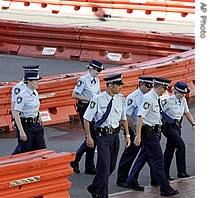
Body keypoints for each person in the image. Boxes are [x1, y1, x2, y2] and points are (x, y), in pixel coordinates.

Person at [83, 73, 131, 198]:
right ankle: (103, 195)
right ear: (110, 85)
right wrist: (89, 136)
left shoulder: (120, 98)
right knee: (103, 169)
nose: (121, 87)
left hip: (115, 136)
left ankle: (94, 187)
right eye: (118, 85)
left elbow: (123, 118)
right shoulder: (98, 99)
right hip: (102, 136)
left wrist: (127, 135)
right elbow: (87, 119)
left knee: (111, 166)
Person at [134, 77, 179, 197]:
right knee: (158, 160)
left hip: (153, 132)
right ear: (160, 87)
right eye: (164, 88)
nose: (165, 91)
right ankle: (164, 188)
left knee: (147, 157)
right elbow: (140, 116)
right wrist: (138, 135)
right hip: (149, 133)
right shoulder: (149, 98)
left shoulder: (155, 98)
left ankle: (133, 179)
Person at [117, 76, 155, 190]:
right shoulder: (133, 97)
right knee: (130, 154)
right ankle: (122, 178)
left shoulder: (150, 96)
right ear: (140, 84)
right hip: (133, 128)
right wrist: (134, 131)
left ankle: (155, 178)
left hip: (146, 129)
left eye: (151, 86)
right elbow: (127, 116)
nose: (149, 88)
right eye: (147, 86)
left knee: (149, 154)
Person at [70, 59, 105, 175]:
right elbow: (74, 95)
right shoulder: (83, 80)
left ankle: (89, 165)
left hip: (94, 108)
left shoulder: (96, 80)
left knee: (93, 136)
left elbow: (98, 94)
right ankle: (75, 159)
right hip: (85, 107)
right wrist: (88, 99)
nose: (98, 72)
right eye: (97, 70)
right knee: (90, 136)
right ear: (91, 69)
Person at [161, 81, 195, 180]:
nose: (182, 95)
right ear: (175, 91)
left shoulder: (183, 100)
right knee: (181, 145)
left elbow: (187, 112)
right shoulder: (168, 101)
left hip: (178, 126)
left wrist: (193, 123)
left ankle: (165, 173)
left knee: (170, 149)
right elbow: (160, 112)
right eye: (180, 93)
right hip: (169, 126)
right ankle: (182, 171)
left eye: (184, 93)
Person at [14, 71, 46, 153]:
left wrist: (39, 116)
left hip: (35, 124)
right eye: (35, 81)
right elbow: (16, 113)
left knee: (41, 149)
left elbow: (35, 107)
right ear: (29, 82)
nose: (38, 83)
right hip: (26, 126)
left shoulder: (35, 92)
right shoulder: (22, 95)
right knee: (25, 152)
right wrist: (21, 131)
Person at [11, 65, 40, 155]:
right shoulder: (19, 88)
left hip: (34, 122)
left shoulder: (34, 90)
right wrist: (13, 120)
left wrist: (39, 116)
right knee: (23, 149)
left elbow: (35, 105)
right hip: (24, 122)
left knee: (38, 148)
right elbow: (14, 106)